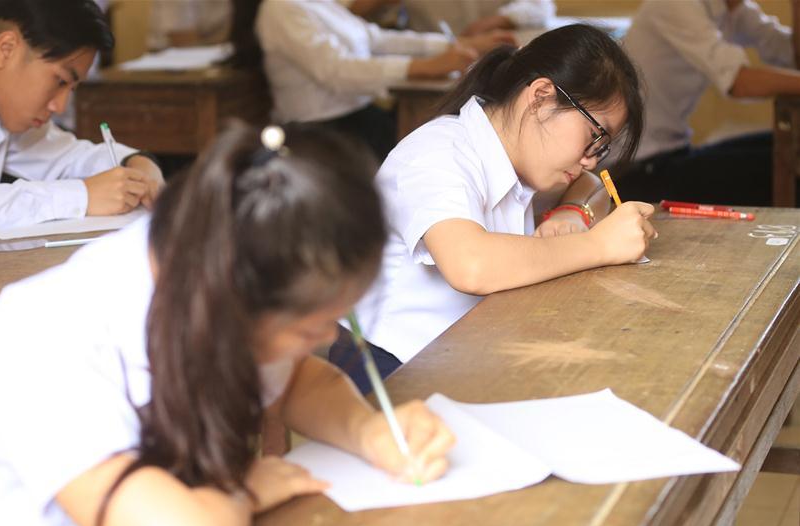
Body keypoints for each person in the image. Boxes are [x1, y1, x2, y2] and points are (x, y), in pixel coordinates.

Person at [0, 122, 455, 526]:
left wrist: (368, 431)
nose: (323, 340)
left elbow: (293, 381)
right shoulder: (47, 343)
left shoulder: (213, 264)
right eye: (310, 327)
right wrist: (246, 485)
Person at [329, 25, 656, 394]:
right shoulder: (437, 153)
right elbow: (470, 265)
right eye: (595, 135)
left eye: (601, 148)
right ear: (541, 97)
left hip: (464, 356)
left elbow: (591, 186)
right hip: (390, 367)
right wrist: (599, 246)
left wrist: (573, 212)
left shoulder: (521, 157)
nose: (590, 160)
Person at [0, 0, 165, 256]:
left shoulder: (2, 113)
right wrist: (80, 196)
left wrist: (138, 163)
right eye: (60, 81)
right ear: (6, 49)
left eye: (71, 89)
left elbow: (70, 156)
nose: (60, 106)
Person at [247, 0, 512, 161]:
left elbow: (377, 38)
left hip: (358, 117)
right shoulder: (280, 9)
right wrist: (424, 67)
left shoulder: (318, 4)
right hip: (322, 129)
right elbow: (337, 70)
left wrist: (457, 44)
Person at [616, 0, 800, 206]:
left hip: (673, 152)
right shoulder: (676, 4)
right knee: (784, 166)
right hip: (639, 171)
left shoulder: (735, 9)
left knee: (790, 143)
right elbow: (739, 82)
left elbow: (792, 55)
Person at [345, 0, 556, 36]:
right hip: (434, 66)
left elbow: (542, 6)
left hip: (495, 57)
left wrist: (495, 21)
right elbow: (345, 17)